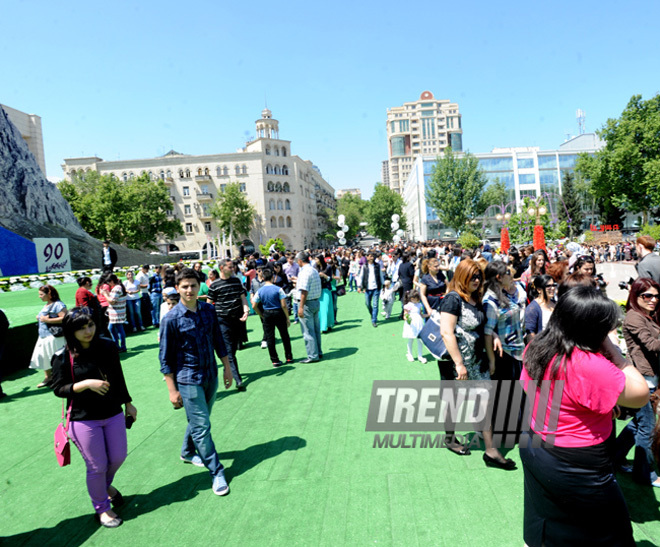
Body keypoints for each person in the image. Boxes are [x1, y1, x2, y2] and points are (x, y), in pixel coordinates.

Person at [519, 285, 649, 546]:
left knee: (547, 512)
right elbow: (640, 394)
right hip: (575, 460)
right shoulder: (587, 363)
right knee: (610, 530)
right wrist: (616, 354)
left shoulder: (538, 345)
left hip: (536, 444)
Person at [51, 307, 137, 528]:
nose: (88, 331)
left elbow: (118, 377)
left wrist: (128, 403)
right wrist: (85, 384)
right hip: (82, 418)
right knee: (97, 467)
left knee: (118, 457)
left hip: (113, 412)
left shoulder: (107, 346)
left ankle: (104, 487)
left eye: (90, 325)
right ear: (71, 331)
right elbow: (59, 389)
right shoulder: (63, 356)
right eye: (81, 328)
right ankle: (102, 508)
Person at [159, 268, 233, 496]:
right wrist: (172, 390)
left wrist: (227, 368)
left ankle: (187, 451)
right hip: (188, 379)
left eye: (192, 285)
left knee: (200, 419)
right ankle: (216, 471)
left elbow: (218, 341)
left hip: (210, 374)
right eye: (184, 286)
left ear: (198, 286)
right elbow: (165, 357)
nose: (189, 290)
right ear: (177, 289)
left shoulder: (209, 311)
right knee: (202, 425)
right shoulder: (171, 319)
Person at [438, 259, 513, 468]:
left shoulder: (475, 298)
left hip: (477, 360)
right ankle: (450, 438)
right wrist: (459, 364)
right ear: (462, 276)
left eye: (479, 276)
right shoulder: (452, 299)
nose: (477, 280)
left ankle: (491, 451)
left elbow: (482, 325)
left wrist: (495, 335)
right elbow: (446, 332)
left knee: (483, 403)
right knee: (453, 402)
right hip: (458, 362)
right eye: (472, 276)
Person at [615, 278, 660, 486]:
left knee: (638, 424)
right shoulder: (634, 317)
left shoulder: (647, 316)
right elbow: (651, 345)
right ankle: (645, 474)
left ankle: (614, 458)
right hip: (641, 379)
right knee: (647, 428)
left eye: (656, 296)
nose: (653, 300)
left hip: (649, 378)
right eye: (647, 296)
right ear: (636, 296)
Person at [207, 259, 249, 391]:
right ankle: (238, 379)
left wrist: (246, 310)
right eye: (230, 267)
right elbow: (209, 304)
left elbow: (243, 297)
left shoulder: (236, 281)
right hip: (222, 320)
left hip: (237, 319)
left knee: (235, 347)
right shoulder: (214, 285)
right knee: (229, 351)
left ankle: (231, 370)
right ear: (221, 268)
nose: (233, 269)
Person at [253, 267, 293, 367]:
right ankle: (289, 357)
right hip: (278, 312)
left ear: (262, 277)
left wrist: (261, 314)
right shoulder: (278, 289)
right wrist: (287, 317)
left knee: (270, 338)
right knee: (284, 336)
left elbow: (254, 305)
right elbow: (284, 305)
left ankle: (275, 360)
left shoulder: (260, 291)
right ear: (272, 277)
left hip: (267, 313)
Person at [30, 285, 67, 388]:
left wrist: (48, 320)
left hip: (54, 337)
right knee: (45, 357)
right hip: (43, 336)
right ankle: (48, 377)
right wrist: (40, 318)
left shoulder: (58, 304)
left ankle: (60, 378)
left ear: (49, 295)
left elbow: (64, 318)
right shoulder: (47, 305)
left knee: (56, 359)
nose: (39, 296)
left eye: (41, 294)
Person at [295, 251, 323, 363]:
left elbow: (304, 291)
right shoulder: (313, 270)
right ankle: (318, 352)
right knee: (315, 330)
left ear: (300, 261)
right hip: (315, 301)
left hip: (307, 303)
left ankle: (312, 355)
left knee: (308, 331)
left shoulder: (304, 272)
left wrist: (300, 307)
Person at [525, 274, 556, 340]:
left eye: (553, 285)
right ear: (539, 290)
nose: (553, 288)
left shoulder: (555, 303)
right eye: (548, 286)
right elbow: (530, 333)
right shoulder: (533, 308)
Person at [359, 252, 384, 327]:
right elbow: (361, 276)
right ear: (367, 257)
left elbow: (380, 275)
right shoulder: (364, 266)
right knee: (367, 303)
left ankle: (374, 320)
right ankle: (372, 313)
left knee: (375, 304)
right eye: (370, 256)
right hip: (367, 288)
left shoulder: (377, 265)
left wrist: (383, 284)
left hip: (376, 287)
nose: (371, 257)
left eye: (372, 256)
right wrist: (359, 286)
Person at [402, 289, 427, 363]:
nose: (418, 300)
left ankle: (420, 356)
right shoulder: (408, 306)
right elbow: (405, 316)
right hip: (411, 325)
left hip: (419, 324)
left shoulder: (419, 305)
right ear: (412, 299)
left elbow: (421, 315)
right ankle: (409, 354)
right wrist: (407, 318)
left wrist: (429, 314)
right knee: (411, 339)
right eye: (417, 299)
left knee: (420, 340)